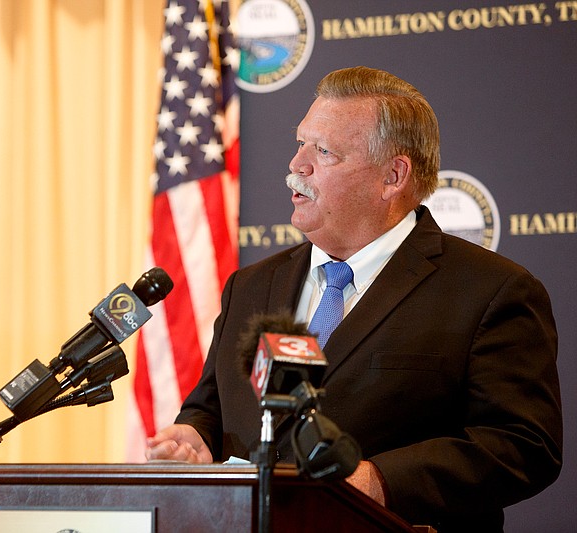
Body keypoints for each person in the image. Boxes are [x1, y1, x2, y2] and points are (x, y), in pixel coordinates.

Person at [145, 66, 562, 531]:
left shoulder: (488, 291)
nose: (296, 166)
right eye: (300, 143)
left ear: (393, 176)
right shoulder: (251, 286)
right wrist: (195, 437)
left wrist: (380, 481)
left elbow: (523, 444)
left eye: (323, 152)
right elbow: (210, 406)